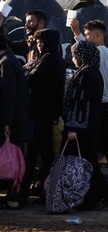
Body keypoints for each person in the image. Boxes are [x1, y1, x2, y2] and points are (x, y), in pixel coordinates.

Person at [61, 40, 108, 211]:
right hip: (88, 127)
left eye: (75, 55)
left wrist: (72, 129)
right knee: (87, 162)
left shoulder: (83, 75)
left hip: (79, 129)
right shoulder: (94, 73)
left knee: (83, 163)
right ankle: (97, 197)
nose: (73, 58)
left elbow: (79, 105)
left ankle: (103, 196)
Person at [18, 29, 64, 206]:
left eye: (42, 42)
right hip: (48, 113)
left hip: (41, 113)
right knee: (45, 154)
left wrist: (28, 71)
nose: (39, 44)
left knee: (34, 154)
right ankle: (44, 191)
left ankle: (24, 193)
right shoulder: (56, 59)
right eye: (38, 42)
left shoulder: (48, 58)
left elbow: (32, 80)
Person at [77, 19, 108, 197]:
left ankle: (100, 188)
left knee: (95, 146)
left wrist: (76, 34)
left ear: (97, 35)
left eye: (88, 35)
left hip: (98, 104)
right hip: (106, 103)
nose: (87, 39)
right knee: (107, 147)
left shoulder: (99, 53)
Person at [0, 28, 31, 209]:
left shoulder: (6, 63)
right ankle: (14, 197)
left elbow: (8, 95)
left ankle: (14, 197)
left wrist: (6, 122)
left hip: (13, 121)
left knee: (12, 160)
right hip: (16, 119)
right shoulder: (9, 60)